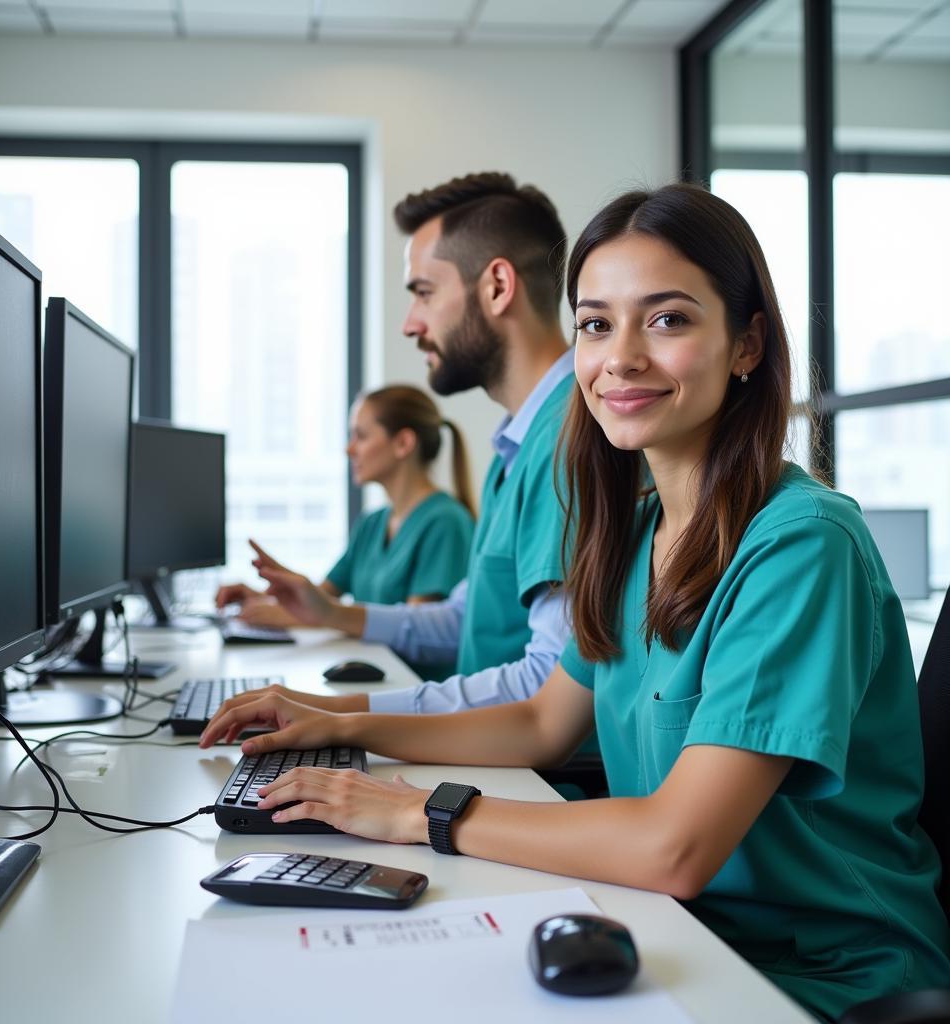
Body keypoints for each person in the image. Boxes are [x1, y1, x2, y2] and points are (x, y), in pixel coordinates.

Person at [200, 182, 950, 1021]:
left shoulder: (800, 545)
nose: (619, 357)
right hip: (673, 928)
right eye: (596, 323)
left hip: (813, 974)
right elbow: (541, 722)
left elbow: (676, 848)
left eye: (667, 320)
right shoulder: (635, 533)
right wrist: (341, 725)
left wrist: (422, 812)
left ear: (746, 345)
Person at [228, 172, 576, 718]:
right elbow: (467, 617)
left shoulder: (571, 440)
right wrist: (333, 614)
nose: (410, 324)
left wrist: (344, 715)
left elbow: (549, 686)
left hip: (542, 778)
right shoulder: (518, 443)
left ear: (497, 287)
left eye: (424, 293)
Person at [216, 385, 475, 632]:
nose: (349, 449)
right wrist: (263, 597)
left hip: (410, 676)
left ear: (403, 443)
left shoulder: (446, 522)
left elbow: (418, 629)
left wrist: (305, 616)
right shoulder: (372, 523)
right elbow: (322, 598)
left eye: (360, 436)